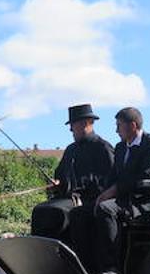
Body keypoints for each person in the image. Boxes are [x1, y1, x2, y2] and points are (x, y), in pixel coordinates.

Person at [92, 107, 150, 274]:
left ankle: (112, 267)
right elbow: (113, 177)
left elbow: (148, 176)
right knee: (80, 213)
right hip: (122, 199)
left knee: (106, 210)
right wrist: (102, 192)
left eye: (119, 126)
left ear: (132, 126)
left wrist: (115, 190)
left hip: (142, 202)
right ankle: (87, 264)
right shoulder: (120, 148)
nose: (116, 130)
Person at [33, 103, 114, 247]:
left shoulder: (103, 148)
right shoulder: (70, 150)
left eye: (73, 125)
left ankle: (64, 253)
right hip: (67, 198)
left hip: (91, 200)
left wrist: (81, 187)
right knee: (39, 210)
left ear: (86, 123)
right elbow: (61, 176)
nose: (70, 129)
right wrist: (57, 183)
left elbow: (109, 179)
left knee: (55, 212)